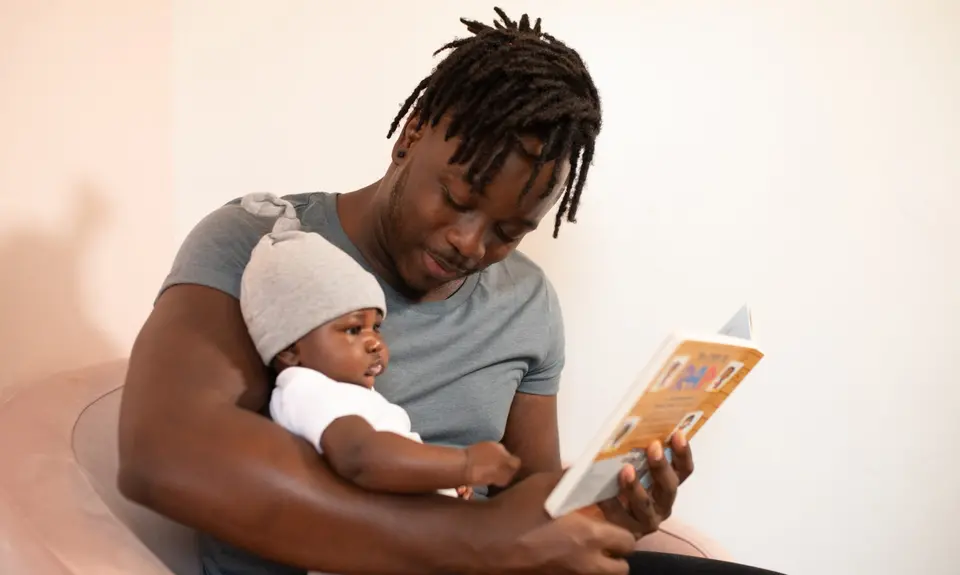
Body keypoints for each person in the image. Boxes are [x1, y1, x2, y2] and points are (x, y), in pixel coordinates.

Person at [118, 8, 784, 575]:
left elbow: (528, 497)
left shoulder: (527, 301)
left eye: (510, 230)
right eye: (459, 197)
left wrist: (614, 507)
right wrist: (475, 541)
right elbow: (163, 453)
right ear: (412, 136)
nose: (472, 244)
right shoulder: (264, 240)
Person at [239, 192, 519, 505]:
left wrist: (444, 481)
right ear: (291, 350)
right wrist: (462, 464)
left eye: (377, 327)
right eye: (353, 329)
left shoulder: (346, 392)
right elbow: (361, 456)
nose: (374, 342)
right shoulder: (306, 390)